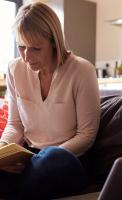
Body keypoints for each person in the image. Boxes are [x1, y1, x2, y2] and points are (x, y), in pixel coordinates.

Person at [0, 2, 100, 199]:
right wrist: (3, 151)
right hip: (29, 158)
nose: (27, 57)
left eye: (35, 48)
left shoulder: (82, 71)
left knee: (52, 159)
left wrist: (40, 158)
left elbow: (87, 135)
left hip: (68, 159)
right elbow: (15, 124)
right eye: (21, 47)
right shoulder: (14, 69)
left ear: (54, 41)